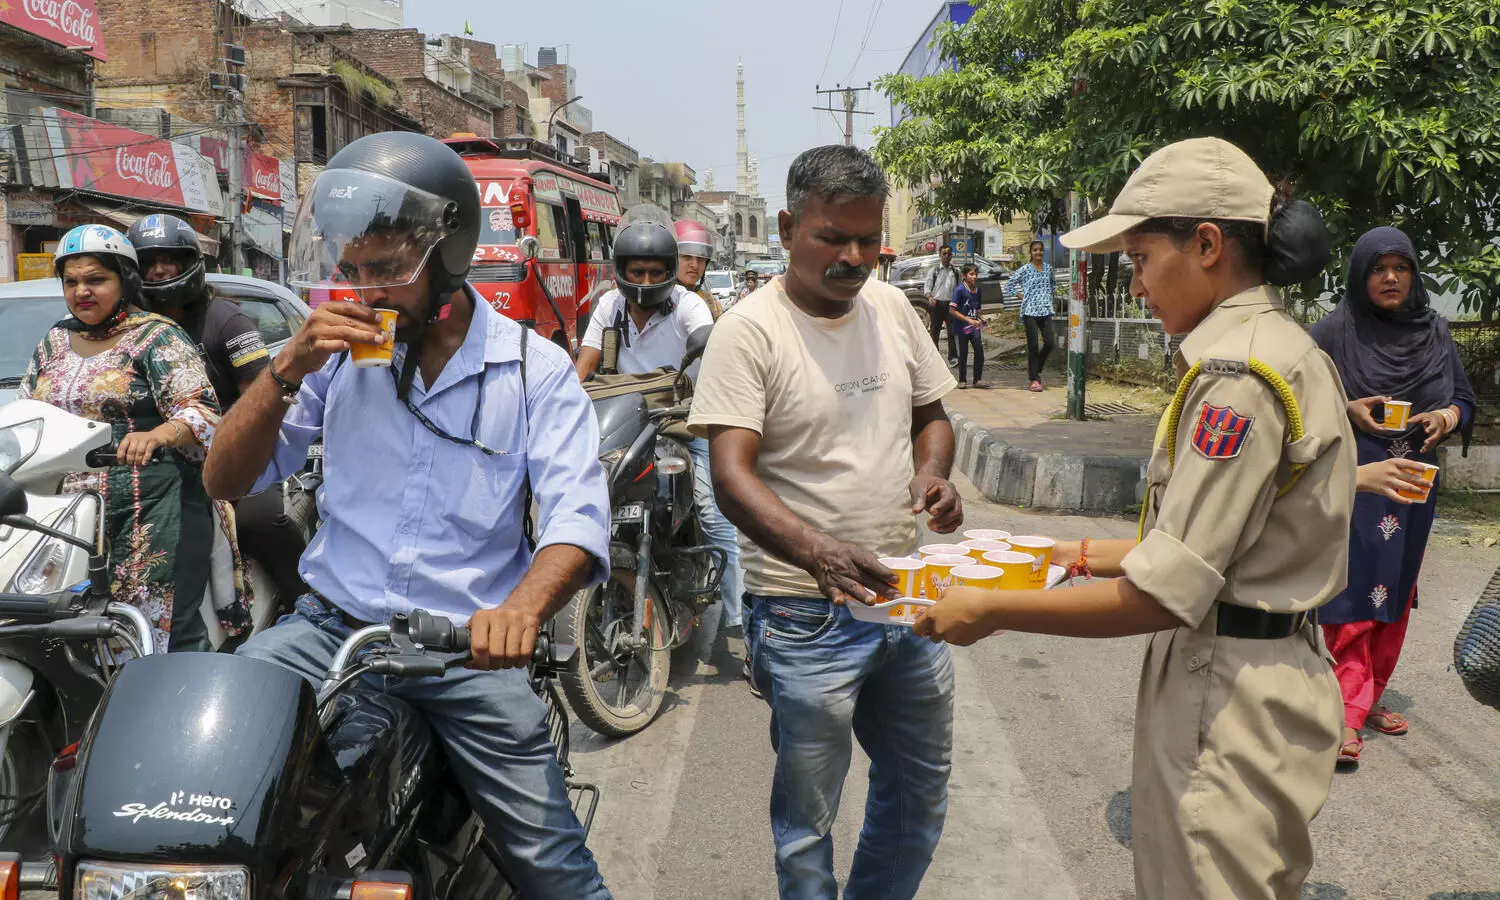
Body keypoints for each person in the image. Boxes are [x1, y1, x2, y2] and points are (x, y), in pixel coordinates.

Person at [915, 137, 1354, 900]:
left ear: (1208, 245)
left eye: (1142, 258)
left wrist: (988, 607)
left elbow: (1166, 590)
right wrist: (1072, 552)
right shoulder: (1278, 349)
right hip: (1257, 668)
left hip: (1228, 691)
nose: (1136, 284)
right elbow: (1210, 545)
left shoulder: (1238, 380)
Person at [201, 131, 612, 898]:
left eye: (387, 271)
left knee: (554, 869)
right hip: (328, 630)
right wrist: (285, 369)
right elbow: (227, 476)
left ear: (450, 258)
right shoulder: (333, 365)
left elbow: (576, 519)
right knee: (216, 783)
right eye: (350, 272)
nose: (364, 293)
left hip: (462, 650)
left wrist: (518, 612)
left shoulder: (533, 370)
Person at [689, 144, 963, 900]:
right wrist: (820, 553)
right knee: (808, 823)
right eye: (831, 238)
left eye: (867, 240)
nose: (853, 257)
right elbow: (732, 477)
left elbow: (932, 417)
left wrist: (933, 474)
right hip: (804, 613)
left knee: (919, 794)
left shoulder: (894, 308)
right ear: (786, 228)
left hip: (906, 599)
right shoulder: (749, 332)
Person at [1310, 226, 1478, 767]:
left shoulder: (1434, 330)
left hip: (1414, 483)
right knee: (1354, 589)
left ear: (1414, 275)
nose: (1390, 278)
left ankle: (1371, 692)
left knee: (1396, 590)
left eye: (1400, 268)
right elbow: (1292, 398)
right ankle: (1345, 711)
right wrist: (1347, 406)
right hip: (1356, 480)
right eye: (1379, 268)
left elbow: (1462, 397)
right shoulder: (1335, 331)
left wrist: (1445, 416)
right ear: (1361, 275)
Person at [20, 224, 222, 653]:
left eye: (96, 279)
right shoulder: (54, 340)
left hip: (154, 506)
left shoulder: (156, 336)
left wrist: (158, 434)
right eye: (71, 282)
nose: (82, 292)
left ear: (125, 281)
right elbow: (26, 411)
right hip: (66, 516)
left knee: (162, 629)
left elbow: (201, 410)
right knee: (67, 628)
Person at [127, 213, 294, 632]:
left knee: (258, 522)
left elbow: (265, 396)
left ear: (192, 265)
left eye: (171, 259)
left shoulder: (226, 320)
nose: (159, 270)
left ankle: (307, 601)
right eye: (149, 261)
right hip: (157, 463)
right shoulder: (124, 329)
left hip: (232, 453)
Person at [574, 222, 744, 630]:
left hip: (685, 418)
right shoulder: (609, 306)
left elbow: (707, 337)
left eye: (654, 272)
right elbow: (586, 362)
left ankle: (743, 624)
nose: (646, 281)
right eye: (637, 272)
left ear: (669, 270)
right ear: (622, 271)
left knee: (715, 509)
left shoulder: (689, 305)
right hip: (625, 420)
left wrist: (707, 341)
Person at [1006, 240, 1056, 391]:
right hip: (1030, 311)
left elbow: (1053, 284)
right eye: (1035, 250)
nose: (1038, 253)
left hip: (1046, 310)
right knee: (1033, 345)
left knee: (1049, 343)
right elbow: (1009, 285)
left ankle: (1036, 368)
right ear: (1031, 252)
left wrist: (1047, 297)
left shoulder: (1048, 268)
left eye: (1041, 250)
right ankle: (1034, 379)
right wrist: (1021, 296)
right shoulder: (1025, 269)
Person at [675, 218, 723, 319]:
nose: (695, 265)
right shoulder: (659, 301)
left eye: (700, 258)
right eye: (687, 257)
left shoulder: (712, 305)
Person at [950, 263, 986, 389]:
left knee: (979, 352)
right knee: (963, 354)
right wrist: (968, 320)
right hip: (961, 328)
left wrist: (981, 319)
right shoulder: (959, 290)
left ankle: (977, 379)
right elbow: (952, 310)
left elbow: (978, 309)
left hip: (974, 328)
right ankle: (962, 379)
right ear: (964, 276)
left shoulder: (978, 290)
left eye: (976, 274)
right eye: (971, 274)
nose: (974, 277)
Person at [923, 243, 960, 367]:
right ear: (939, 255)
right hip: (936, 305)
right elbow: (927, 287)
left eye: (949, 253)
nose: (946, 256)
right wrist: (930, 297)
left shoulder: (956, 271)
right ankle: (935, 358)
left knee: (952, 333)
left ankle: (953, 358)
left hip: (951, 305)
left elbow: (959, 288)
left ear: (951, 255)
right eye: (944, 253)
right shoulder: (933, 271)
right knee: (934, 332)